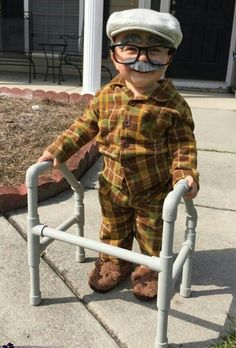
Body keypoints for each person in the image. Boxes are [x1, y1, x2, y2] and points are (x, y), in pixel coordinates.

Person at [37, 8, 199, 301]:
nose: (142, 60)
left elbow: (183, 145)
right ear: (114, 56)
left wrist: (185, 175)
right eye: (131, 50)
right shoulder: (105, 95)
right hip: (112, 186)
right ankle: (115, 260)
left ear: (169, 58)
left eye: (155, 52)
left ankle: (149, 269)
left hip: (153, 190)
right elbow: (84, 126)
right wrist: (56, 151)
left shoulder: (174, 105)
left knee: (152, 236)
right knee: (113, 230)